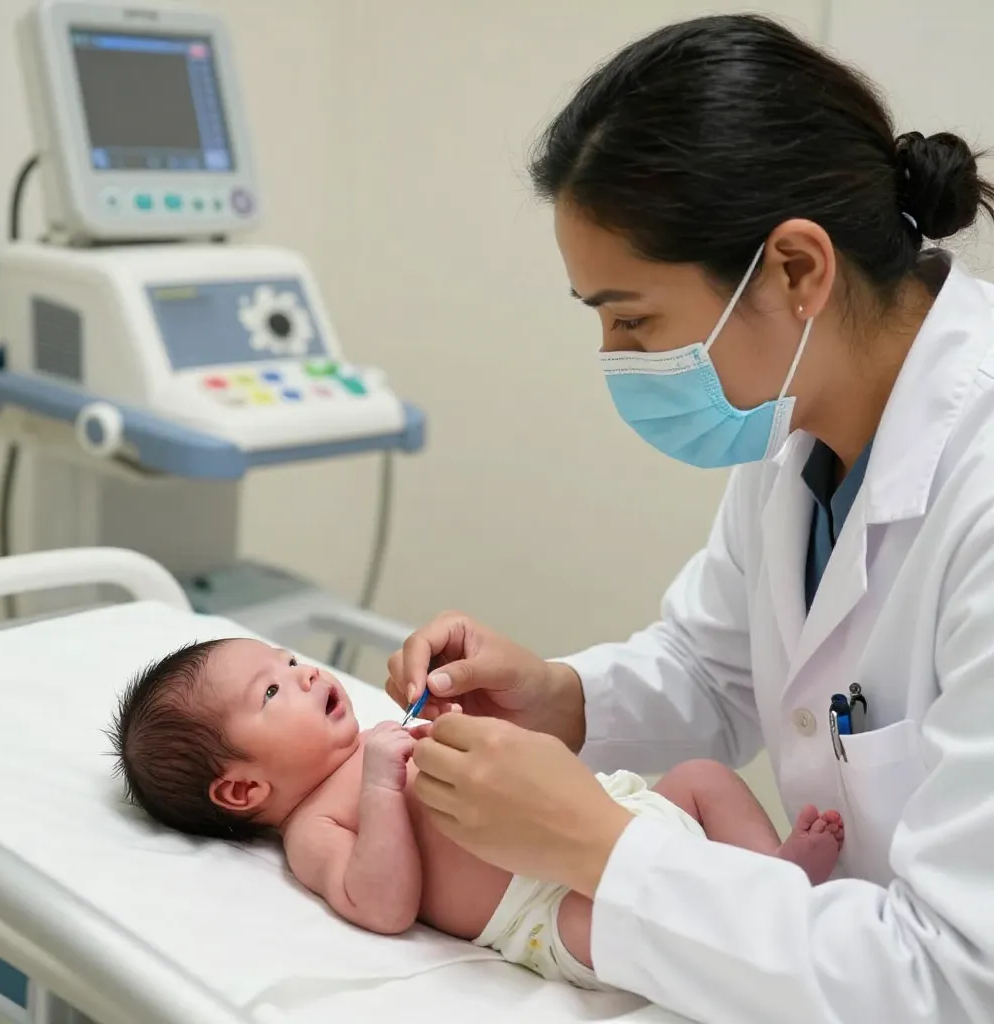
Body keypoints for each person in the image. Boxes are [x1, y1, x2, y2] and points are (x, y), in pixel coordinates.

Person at [384, 13, 994, 1024]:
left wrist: (600, 845)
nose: (618, 359)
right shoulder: (804, 415)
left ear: (796, 271)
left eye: (633, 318)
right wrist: (559, 697)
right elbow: (721, 668)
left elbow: (957, 981)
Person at [110, 638, 843, 991]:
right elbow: (383, 903)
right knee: (607, 926)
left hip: (617, 811)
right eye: (271, 693)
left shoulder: (379, 735)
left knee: (703, 777)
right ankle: (753, 913)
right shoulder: (313, 829)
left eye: (289, 659)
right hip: (545, 905)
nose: (303, 673)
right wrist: (379, 788)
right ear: (242, 791)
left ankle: (772, 874)